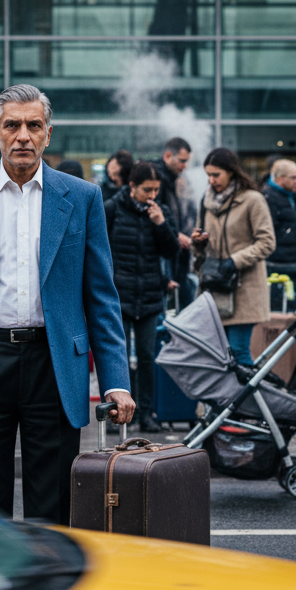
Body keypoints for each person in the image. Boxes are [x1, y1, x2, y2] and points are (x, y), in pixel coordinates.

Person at [0, 83, 134, 524]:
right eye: (12, 125)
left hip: (55, 366)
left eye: (33, 126)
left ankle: (50, 588)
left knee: (53, 508)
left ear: (48, 134)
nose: (23, 136)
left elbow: (101, 297)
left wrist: (116, 379)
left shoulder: (83, 197)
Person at [104, 160, 180, 434]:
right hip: (119, 295)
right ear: (131, 186)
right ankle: (117, 414)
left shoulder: (161, 211)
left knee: (148, 357)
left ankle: (146, 413)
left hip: (149, 295)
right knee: (118, 357)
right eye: (147, 189)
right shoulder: (112, 208)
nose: (152, 195)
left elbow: (172, 250)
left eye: (156, 190)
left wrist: (161, 224)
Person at [190, 147, 275, 367]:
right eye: (208, 175)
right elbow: (200, 246)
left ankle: (252, 401)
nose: (211, 180)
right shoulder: (206, 202)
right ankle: (228, 401)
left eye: (216, 174)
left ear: (231, 172)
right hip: (216, 289)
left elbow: (267, 242)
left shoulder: (252, 200)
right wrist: (198, 244)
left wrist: (235, 261)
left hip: (245, 290)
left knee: (238, 352)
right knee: (219, 356)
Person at [153, 137, 195, 301]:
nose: (184, 166)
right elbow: (155, 216)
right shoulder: (159, 178)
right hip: (162, 251)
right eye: (182, 161)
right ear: (168, 155)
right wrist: (176, 235)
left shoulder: (169, 178)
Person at [263, 158, 296, 274]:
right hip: (278, 263)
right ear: (279, 179)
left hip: (295, 259)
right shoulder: (267, 199)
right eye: (293, 178)